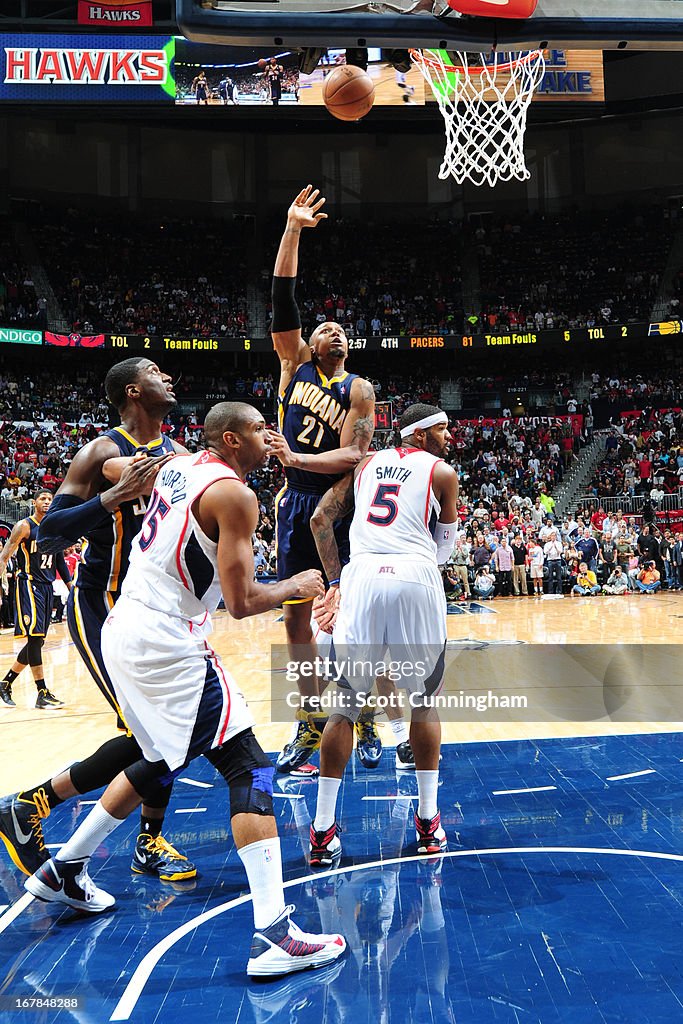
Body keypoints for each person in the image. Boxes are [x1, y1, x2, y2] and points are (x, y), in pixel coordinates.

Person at [25, 402, 346, 979]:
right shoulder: (235, 496)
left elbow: (134, 486)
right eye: (257, 429)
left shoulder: (176, 464)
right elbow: (244, 602)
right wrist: (296, 585)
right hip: (169, 642)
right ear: (230, 439)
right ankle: (274, 933)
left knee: (158, 759)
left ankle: (65, 867)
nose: (268, 436)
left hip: (125, 628)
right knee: (252, 765)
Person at [0, 359, 193, 883]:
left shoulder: (178, 455)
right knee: (153, 732)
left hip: (162, 609)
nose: (169, 376)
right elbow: (50, 534)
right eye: (156, 371)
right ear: (133, 390)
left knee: (166, 730)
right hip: (104, 608)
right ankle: (30, 806)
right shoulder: (101, 451)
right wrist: (113, 497)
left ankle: (142, 840)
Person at [308, 404, 458, 865]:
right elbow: (446, 550)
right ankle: (429, 823)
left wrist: (335, 584)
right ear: (420, 434)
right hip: (415, 572)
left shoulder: (366, 462)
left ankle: (322, 830)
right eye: (442, 429)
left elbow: (319, 519)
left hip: (362, 574)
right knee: (424, 701)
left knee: (345, 706)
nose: (449, 436)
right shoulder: (442, 472)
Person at [267, 185, 377, 775]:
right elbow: (283, 298)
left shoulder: (359, 390)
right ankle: (310, 719)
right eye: (324, 325)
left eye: (342, 327)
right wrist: (293, 228)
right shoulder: (293, 366)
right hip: (297, 503)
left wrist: (299, 460)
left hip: (338, 503)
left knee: (356, 613)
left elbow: (353, 460)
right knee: (297, 616)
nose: (333, 329)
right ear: (308, 342)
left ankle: (366, 715)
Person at [0, 489, 71, 710]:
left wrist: (72, 589)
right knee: (34, 638)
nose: (47, 502)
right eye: (43, 498)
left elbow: (59, 562)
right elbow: (5, 556)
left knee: (37, 641)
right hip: (29, 584)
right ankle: (42, 692)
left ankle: (5, 683)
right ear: (34, 502)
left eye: (50, 499)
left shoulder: (53, 528)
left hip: (47, 586)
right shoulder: (24, 526)